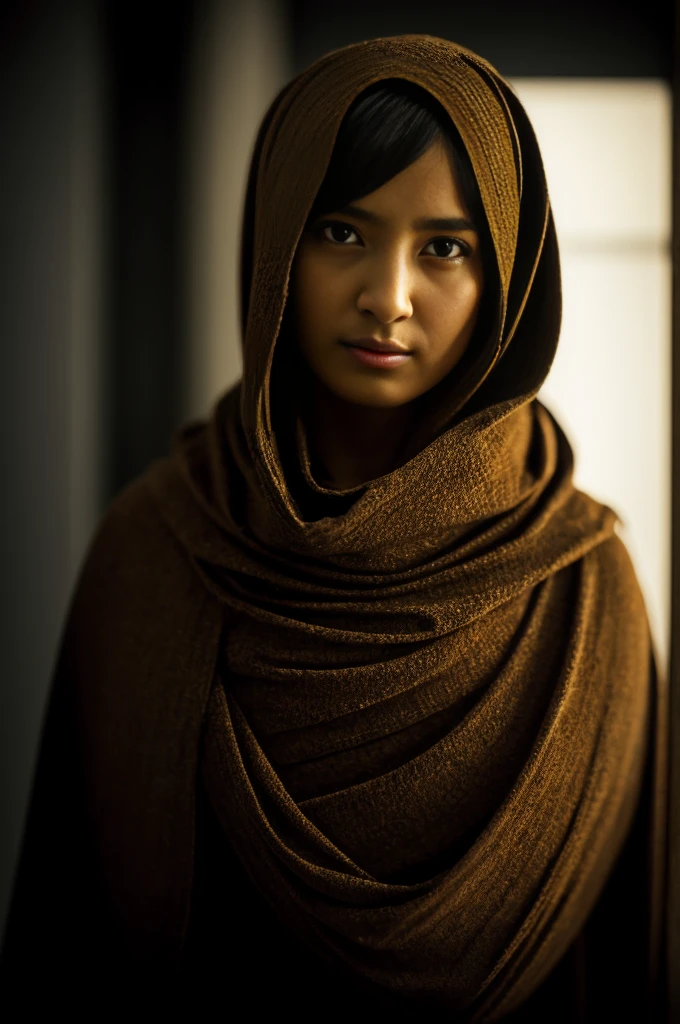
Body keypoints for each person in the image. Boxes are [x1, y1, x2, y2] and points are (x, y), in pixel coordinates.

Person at [1, 34, 668, 1021]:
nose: (386, 298)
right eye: (340, 233)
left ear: (506, 278)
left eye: (443, 248)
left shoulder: (578, 591)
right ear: (276, 240)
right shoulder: (156, 546)